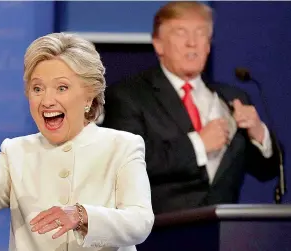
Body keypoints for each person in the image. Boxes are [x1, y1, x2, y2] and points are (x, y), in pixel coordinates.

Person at [0, 33, 154, 251]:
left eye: (61, 88)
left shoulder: (122, 147)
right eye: (37, 89)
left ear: (89, 97)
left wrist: (82, 215)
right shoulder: (16, 151)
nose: (46, 101)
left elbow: (140, 222)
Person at [102, 1, 280, 214]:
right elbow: (126, 165)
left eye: (201, 33)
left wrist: (259, 134)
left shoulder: (233, 99)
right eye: (180, 33)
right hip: (161, 232)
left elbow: (266, 171)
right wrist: (198, 145)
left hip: (225, 236)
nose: (192, 43)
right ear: (158, 44)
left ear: (208, 44)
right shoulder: (128, 96)